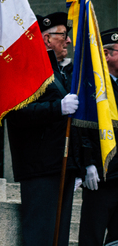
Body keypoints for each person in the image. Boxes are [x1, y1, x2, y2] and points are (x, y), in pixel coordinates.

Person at [6, 12, 80, 246]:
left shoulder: (60, 71)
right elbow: (17, 114)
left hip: (62, 165)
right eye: (63, 35)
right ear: (46, 39)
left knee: (58, 238)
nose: (68, 40)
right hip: (39, 166)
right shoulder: (27, 67)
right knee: (41, 237)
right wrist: (57, 108)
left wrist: (80, 162)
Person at [78, 28, 118, 246]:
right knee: (91, 237)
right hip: (101, 177)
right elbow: (83, 128)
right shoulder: (93, 85)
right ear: (107, 54)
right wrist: (88, 164)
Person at [37, 12, 74, 89]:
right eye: (64, 35)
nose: (69, 40)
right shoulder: (32, 75)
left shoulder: (69, 70)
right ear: (48, 40)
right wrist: (61, 102)